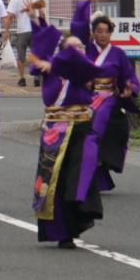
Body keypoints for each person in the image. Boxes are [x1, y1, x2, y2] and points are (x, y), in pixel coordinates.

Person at [26, 15, 104, 249]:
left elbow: (86, 74)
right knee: (54, 182)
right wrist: (37, 19)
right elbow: (40, 48)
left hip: (80, 129)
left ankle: (77, 219)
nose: (77, 51)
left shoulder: (84, 71)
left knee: (76, 178)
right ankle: (62, 232)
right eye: (71, 48)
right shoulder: (49, 68)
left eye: (81, 47)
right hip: (54, 131)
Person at [70, 0, 140, 188]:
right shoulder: (86, 48)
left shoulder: (118, 53)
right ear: (92, 32)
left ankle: (99, 164)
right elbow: (77, 27)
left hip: (110, 97)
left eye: (106, 31)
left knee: (114, 127)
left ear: (111, 33)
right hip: (88, 97)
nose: (102, 35)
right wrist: (86, 3)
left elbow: (129, 77)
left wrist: (130, 89)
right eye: (99, 31)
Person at [4, 0, 42, 87]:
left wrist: (7, 31)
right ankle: (37, 77)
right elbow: (42, 14)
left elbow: (10, 16)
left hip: (22, 31)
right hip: (36, 29)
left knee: (21, 56)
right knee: (36, 54)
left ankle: (22, 79)